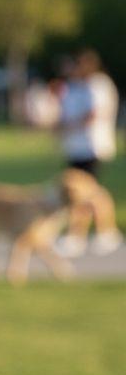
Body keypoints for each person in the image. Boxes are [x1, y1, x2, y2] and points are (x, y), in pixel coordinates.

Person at [57, 50, 121, 256]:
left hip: (92, 146)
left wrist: (71, 125)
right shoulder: (75, 87)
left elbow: (95, 113)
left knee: (89, 192)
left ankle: (105, 232)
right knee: (82, 193)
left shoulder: (98, 84)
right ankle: (80, 235)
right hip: (75, 146)